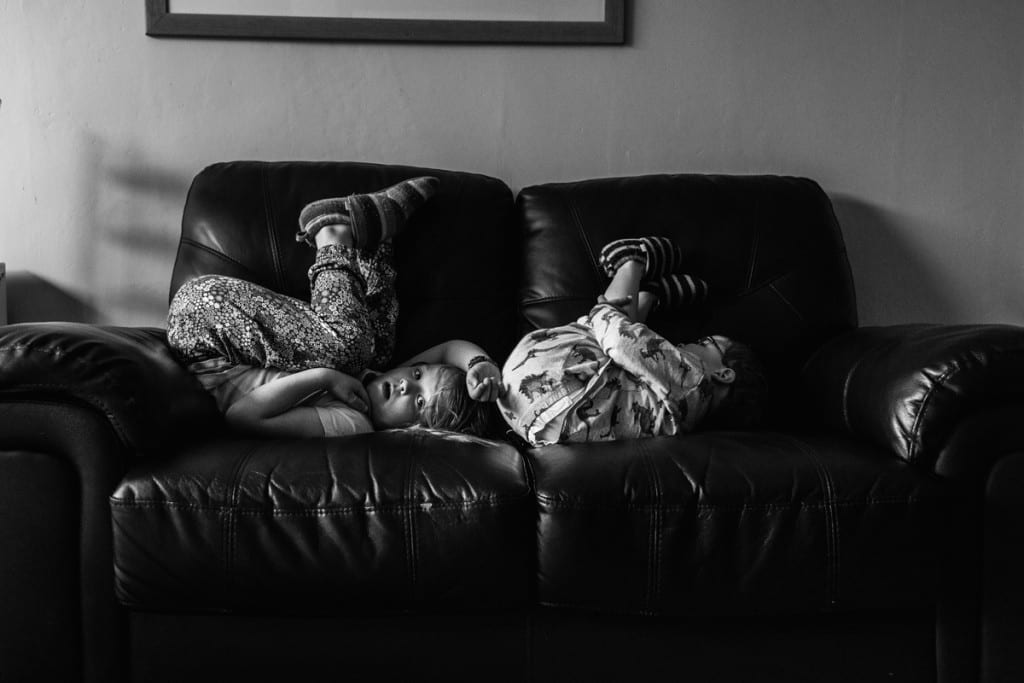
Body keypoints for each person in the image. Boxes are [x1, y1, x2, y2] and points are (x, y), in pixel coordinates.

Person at [167, 176, 501, 439]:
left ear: (414, 432)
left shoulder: (353, 422)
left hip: (206, 332)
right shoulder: (376, 378)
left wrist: (325, 378)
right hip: (213, 315)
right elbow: (448, 351)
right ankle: (372, 242)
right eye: (416, 374)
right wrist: (479, 364)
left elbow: (242, 416)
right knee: (376, 348)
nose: (404, 384)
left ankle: (333, 234)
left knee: (353, 351)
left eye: (418, 401)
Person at [497, 236, 766, 446]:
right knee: (631, 365)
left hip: (555, 385)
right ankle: (649, 298)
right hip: (529, 421)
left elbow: (622, 341)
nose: (688, 343)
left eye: (706, 342)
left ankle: (632, 260)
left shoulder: (694, 381)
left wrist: (603, 311)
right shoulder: (682, 418)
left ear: (724, 373)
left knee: (613, 330)